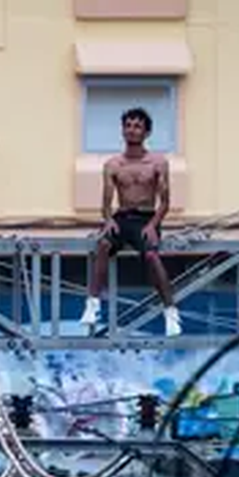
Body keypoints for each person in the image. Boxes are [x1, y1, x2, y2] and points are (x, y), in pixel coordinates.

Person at [79, 107, 181, 337]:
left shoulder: (158, 163)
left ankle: (170, 311)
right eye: (128, 125)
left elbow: (165, 202)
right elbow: (106, 202)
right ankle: (93, 305)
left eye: (137, 126)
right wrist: (108, 220)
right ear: (123, 130)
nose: (132, 130)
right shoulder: (113, 164)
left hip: (146, 218)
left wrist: (153, 225)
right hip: (122, 216)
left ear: (146, 132)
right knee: (103, 245)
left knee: (152, 255)